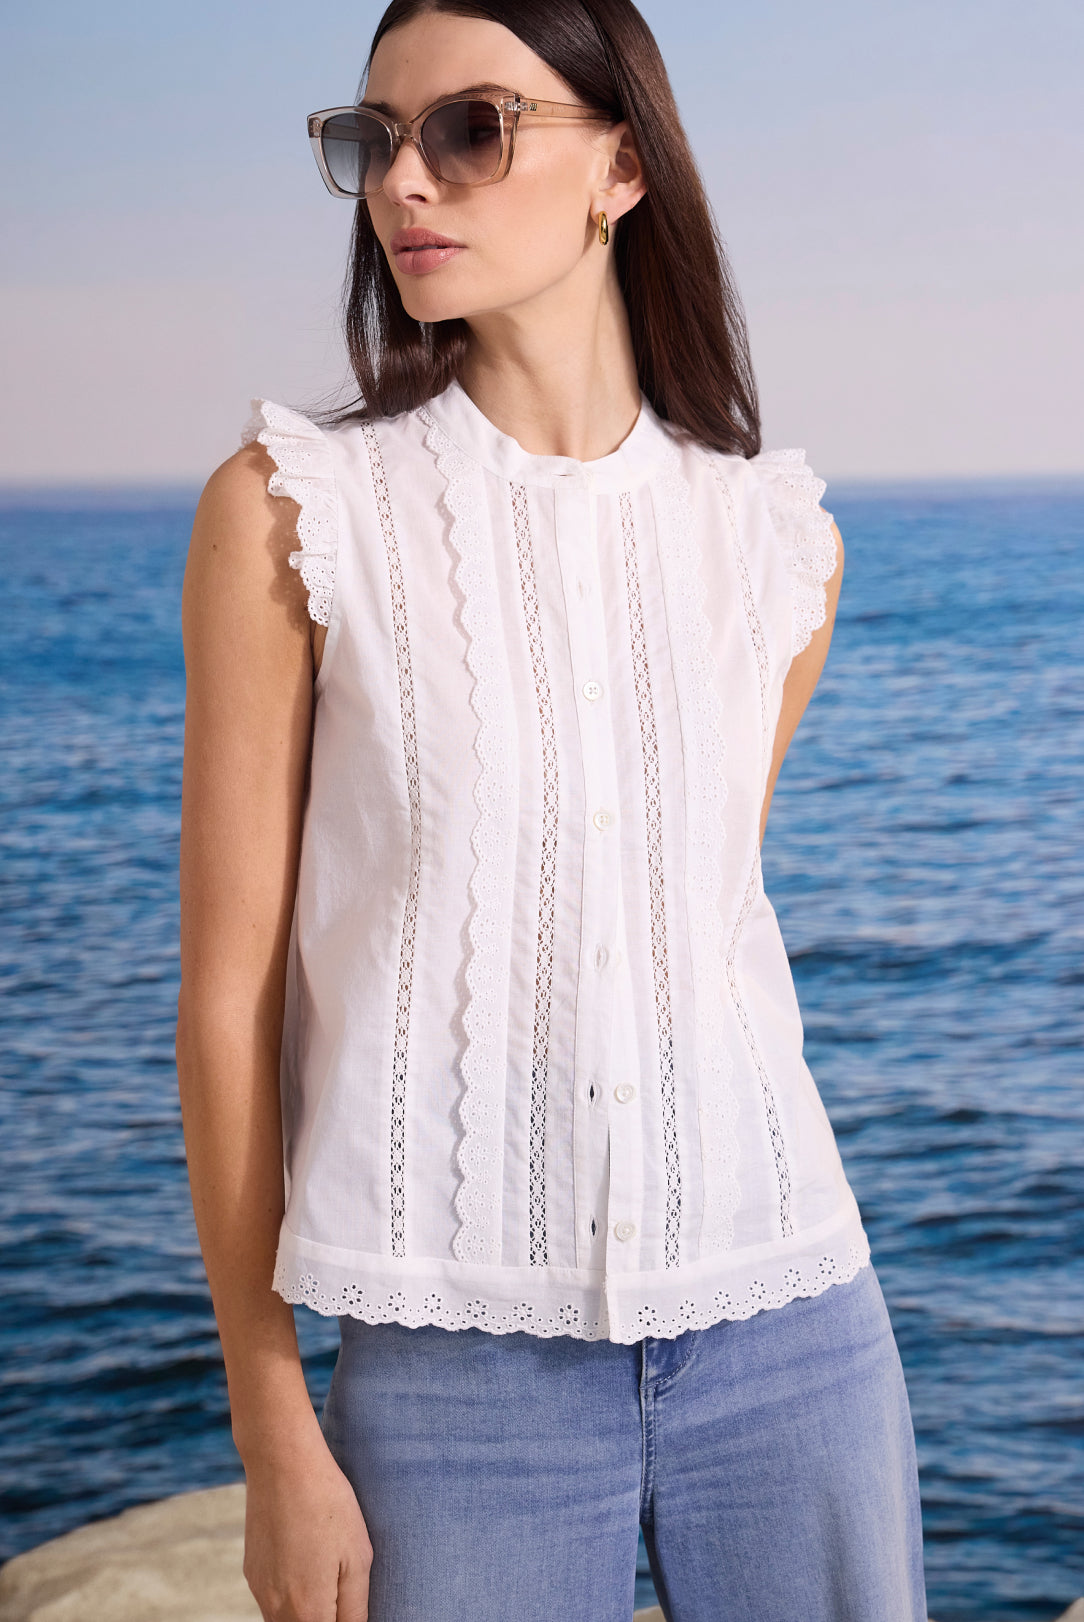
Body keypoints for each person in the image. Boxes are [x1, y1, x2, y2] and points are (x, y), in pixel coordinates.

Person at [177, 2, 927, 1618]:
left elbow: (698, 931)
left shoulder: (778, 542)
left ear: (624, 169)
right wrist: (271, 1422)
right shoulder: (296, 514)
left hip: (789, 1317)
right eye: (373, 140)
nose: (406, 186)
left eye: (471, 128)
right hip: (454, 1378)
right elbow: (230, 1003)